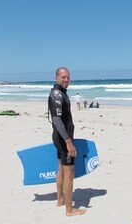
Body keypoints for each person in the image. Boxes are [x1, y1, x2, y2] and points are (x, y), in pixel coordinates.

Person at [48, 67, 86, 217]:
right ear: (56, 77)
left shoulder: (60, 93)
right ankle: (70, 210)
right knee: (69, 172)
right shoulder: (57, 95)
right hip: (63, 139)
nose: (66, 80)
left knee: (61, 169)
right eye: (63, 77)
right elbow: (57, 120)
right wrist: (68, 141)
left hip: (60, 138)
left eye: (68, 77)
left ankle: (60, 200)